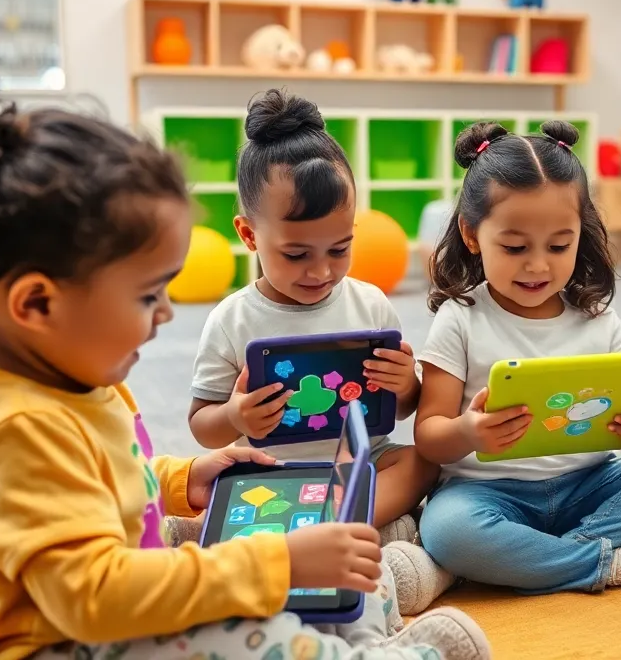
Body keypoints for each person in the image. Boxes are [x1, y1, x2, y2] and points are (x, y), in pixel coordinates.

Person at [0, 69, 489, 660]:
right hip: (55, 643)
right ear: (36, 304)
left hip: (103, 607)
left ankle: (365, 624)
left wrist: (181, 480)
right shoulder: (12, 430)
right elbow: (94, 599)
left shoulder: (61, 380)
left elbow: (95, 476)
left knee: (311, 570)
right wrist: (276, 563)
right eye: (146, 296)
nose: (165, 314)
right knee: (250, 630)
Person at [381, 121, 621, 615]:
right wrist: (470, 431)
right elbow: (429, 437)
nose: (538, 266)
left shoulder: (598, 319)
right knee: (449, 529)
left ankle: (515, 562)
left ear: (580, 235)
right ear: (471, 235)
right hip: (486, 493)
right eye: (515, 247)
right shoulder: (461, 318)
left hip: (589, 485)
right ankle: (618, 564)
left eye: (559, 246)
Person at [185, 90, 436, 547]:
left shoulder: (371, 304)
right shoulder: (231, 319)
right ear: (249, 235)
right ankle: (351, 529)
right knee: (228, 483)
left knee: (422, 461)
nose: (321, 271)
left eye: (339, 249)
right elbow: (202, 424)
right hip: (271, 469)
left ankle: (327, 529)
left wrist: (405, 385)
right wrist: (236, 415)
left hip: (360, 462)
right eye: (297, 254)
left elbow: (399, 410)